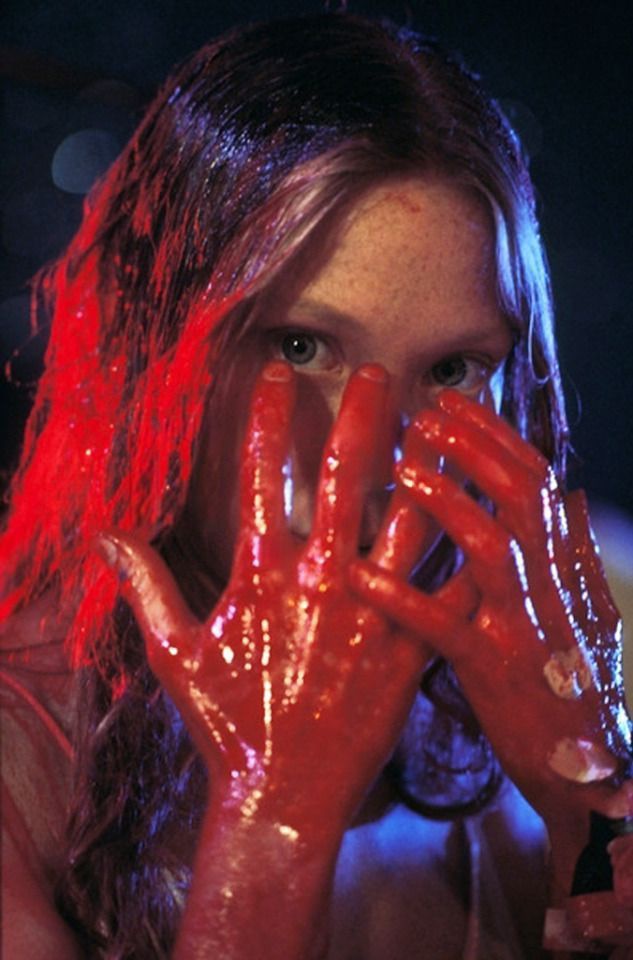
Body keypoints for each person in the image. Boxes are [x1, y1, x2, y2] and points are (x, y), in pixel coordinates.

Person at [1, 12, 632, 959]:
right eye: (300, 346)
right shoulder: (18, 765)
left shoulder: (520, 737)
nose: (368, 458)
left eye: (451, 369)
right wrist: (277, 815)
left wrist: (593, 803)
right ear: (151, 341)